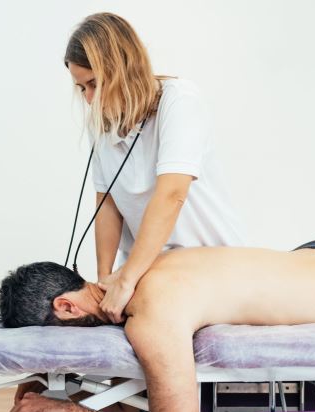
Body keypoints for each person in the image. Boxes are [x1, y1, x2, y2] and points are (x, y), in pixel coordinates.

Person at [0, 239, 315, 412]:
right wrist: (53, 384)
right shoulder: (132, 272)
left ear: (66, 307)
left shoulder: (152, 315)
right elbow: (126, 407)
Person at [64, 13, 244, 325]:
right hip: (146, 270)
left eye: (94, 84)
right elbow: (107, 204)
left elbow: (172, 195)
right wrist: (105, 280)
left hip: (208, 265)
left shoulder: (179, 101)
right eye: (81, 89)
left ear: (122, 67)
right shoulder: (103, 124)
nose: (90, 99)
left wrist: (125, 280)